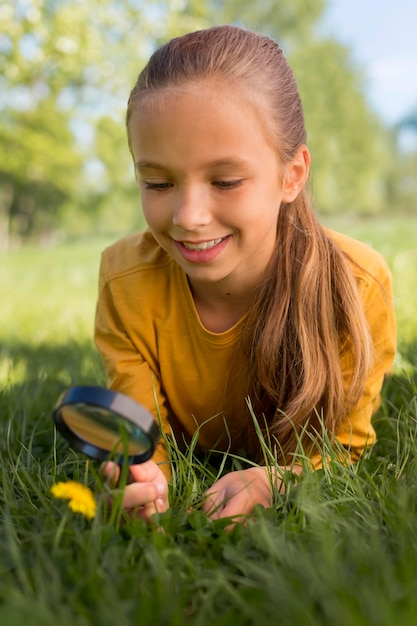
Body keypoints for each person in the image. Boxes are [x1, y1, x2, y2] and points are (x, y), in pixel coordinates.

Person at [95, 25, 396, 523]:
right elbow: (141, 442)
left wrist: (282, 479)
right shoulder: (125, 281)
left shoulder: (355, 286)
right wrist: (145, 481)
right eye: (158, 182)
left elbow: (344, 447)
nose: (188, 215)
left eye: (226, 180)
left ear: (291, 175)